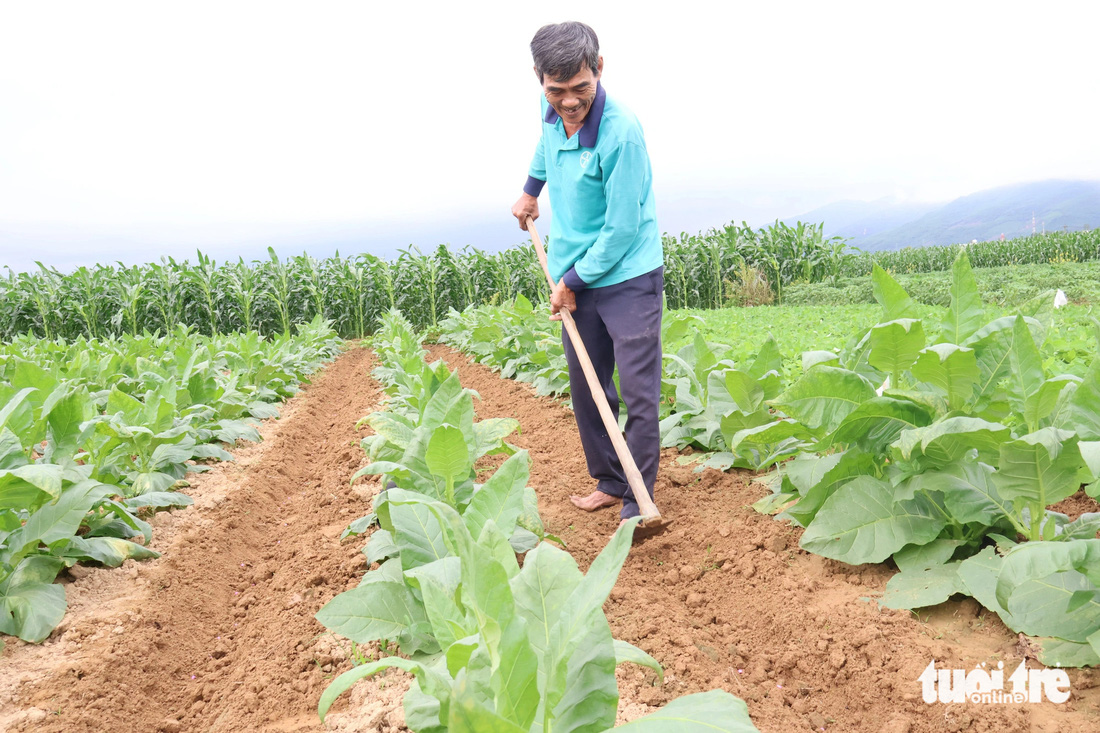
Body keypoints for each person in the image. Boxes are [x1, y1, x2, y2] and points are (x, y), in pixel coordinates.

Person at [510, 21, 664, 524]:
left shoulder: (622, 132)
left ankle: (637, 504)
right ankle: (611, 481)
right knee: (588, 387)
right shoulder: (550, 106)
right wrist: (531, 189)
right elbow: (545, 143)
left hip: (627, 276)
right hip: (575, 270)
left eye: (580, 88)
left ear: (599, 68)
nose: (569, 102)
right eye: (556, 91)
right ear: (540, 79)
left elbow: (622, 229)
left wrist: (572, 282)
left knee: (637, 393)